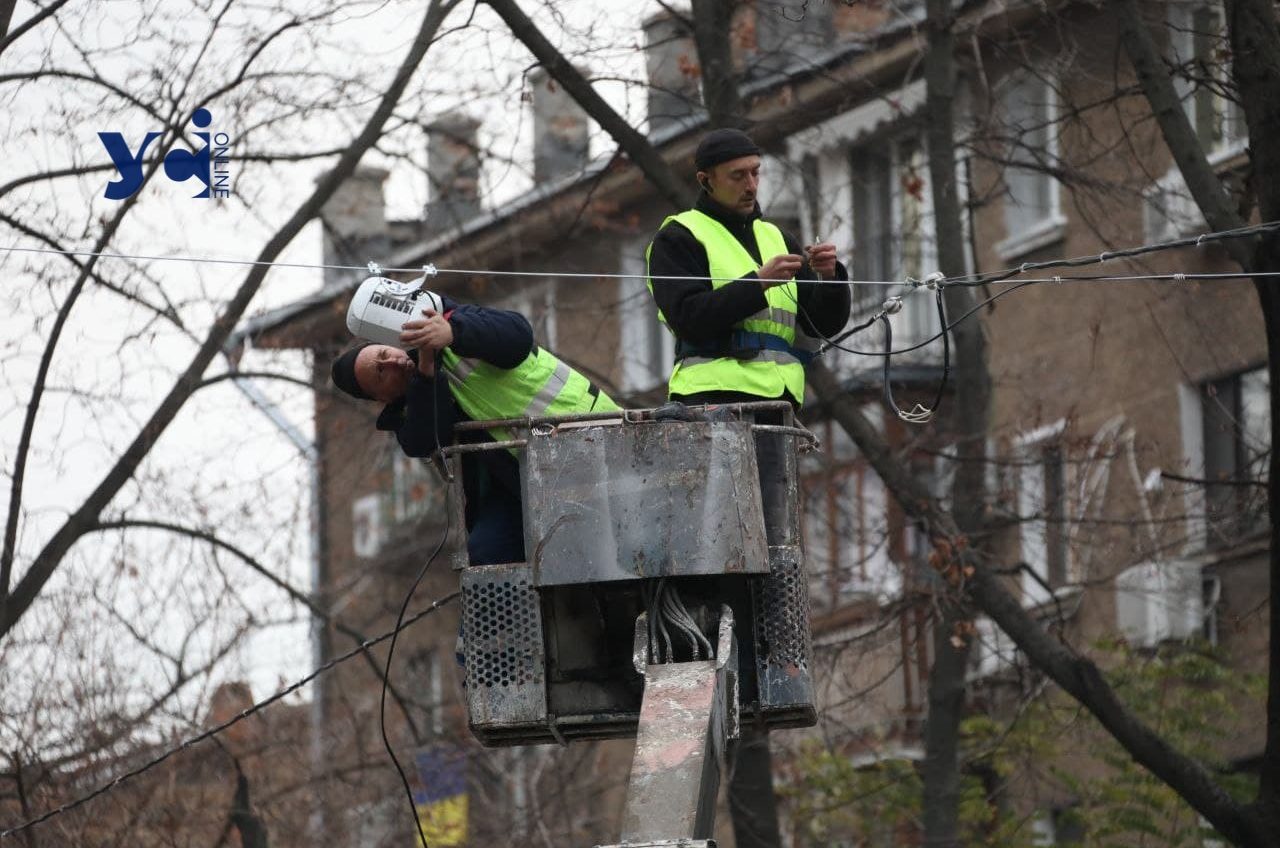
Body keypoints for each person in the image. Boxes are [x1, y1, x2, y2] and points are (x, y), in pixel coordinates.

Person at [330, 294, 619, 566]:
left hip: (596, 434)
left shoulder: (451, 321)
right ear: (381, 399)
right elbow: (426, 436)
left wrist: (454, 332)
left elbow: (517, 334)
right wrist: (427, 370)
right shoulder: (409, 412)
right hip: (530, 483)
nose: (392, 361)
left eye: (384, 352)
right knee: (487, 553)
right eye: (381, 372)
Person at [645, 127, 852, 408]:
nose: (752, 185)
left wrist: (830, 278)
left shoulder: (778, 238)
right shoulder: (678, 236)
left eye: (755, 172)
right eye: (738, 175)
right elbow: (687, 319)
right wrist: (758, 283)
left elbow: (823, 324)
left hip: (780, 400)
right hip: (712, 397)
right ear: (706, 181)